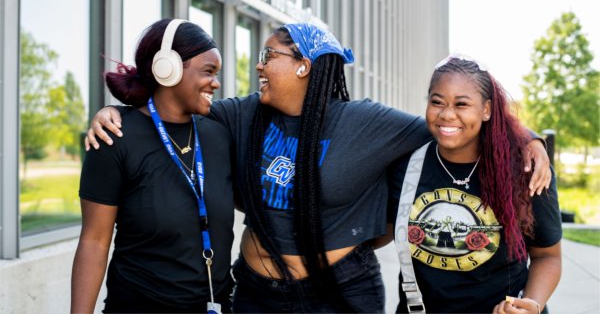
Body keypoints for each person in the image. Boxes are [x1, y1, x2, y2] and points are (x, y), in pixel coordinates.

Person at [85, 24, 552, 313]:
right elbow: (175, 106)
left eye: (270, 55)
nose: (259, 66)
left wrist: (526, 138)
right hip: (255, 295)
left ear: (305, 65)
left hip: (340, 294)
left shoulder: (365, 121)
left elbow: (452, 122)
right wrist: (120, 111)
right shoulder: (241, 113)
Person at [71, 19, 234, 314]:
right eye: (208, 72)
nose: (216, 83)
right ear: (166, 68)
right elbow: (94, 241)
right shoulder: (116, 138)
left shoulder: (219, 134)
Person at [388, 55, 562, 314]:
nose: (447, 114)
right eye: (437, 102)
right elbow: (380, 230)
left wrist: (531, 304)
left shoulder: (525, 169)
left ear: (487, 110)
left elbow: (547, 256)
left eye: (462, 104)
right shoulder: (406, 167)